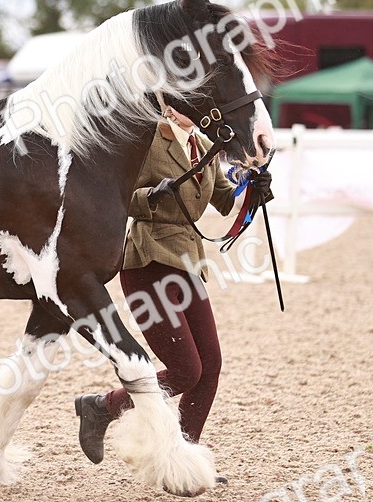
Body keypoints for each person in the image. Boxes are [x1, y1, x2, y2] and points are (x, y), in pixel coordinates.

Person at [74, 106, 271, 475]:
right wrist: (153, 195)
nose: (192, 110)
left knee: (210, 366)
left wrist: (253, 190)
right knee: (185, 371)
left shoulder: (204, 143)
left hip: (188, 264)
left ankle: (184, 456)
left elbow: (226, 200)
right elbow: (116, 196)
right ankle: (102, 406)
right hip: (149, 262)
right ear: (167, 107)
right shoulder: (146, 141)